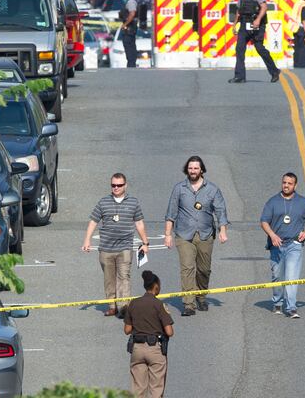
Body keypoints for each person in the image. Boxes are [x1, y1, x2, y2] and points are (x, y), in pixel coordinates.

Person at [164, 156, 229, 316]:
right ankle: (189, 304)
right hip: (184, 236)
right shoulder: (179, 188)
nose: (193, 171)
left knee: (203, 270)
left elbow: (220, 210)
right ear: (187, 169)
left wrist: (223, 230)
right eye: (190, 168)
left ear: (201, 170)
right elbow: (171, 213)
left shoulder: (212, 189)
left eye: (196, 168)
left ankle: (201, 296)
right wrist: (168, 234)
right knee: (187, 268)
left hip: (205, 235)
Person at [82, 173, 149, 318]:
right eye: (113, 185)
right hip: (106, 248)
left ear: (125, 185)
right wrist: (87, 240)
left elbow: (139, 223)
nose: (116, 188)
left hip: (125, 247)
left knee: (124, 277)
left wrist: (145, 242)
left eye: (119, 185)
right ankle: (112, 306)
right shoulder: (103, 202)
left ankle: (124, 306)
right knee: (109, 278)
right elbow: (93, 221)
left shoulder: (133, 202)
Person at [260, 173, 305, 319]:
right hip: (277, 245)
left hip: (294, 244)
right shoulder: (273, 201)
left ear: (295, 185)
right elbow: (264, 221)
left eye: (290, 183)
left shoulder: (302, 202)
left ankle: (292, 307)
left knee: (292, 276)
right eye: (284, 183)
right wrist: (272, 235)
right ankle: (278, 302)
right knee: (277, 276)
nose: (286, 185)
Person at [125, 270, 174, 398]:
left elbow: (127, 330)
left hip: (137, 349)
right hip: (155, 350)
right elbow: (169, 331)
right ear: (156, 287)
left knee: (138, 388)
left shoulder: (133, 303)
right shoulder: (159, 304)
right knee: (156, 388)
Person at [228, 0, 280, 84]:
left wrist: (258, 20)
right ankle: (239, 76)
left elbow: (264, 7)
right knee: (239, 48)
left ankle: (274, 71)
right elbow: (239, 10)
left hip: (256, 24)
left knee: (259, 48)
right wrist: (234, 24)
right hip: (244, 24)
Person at [120, 0, 139, 68]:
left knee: (129, 47)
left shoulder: (130, 2)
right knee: (130, 46)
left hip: (129, 29)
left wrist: (125, 24)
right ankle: (131, 64)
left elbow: (132, 14)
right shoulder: (130, 1)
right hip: (131, 28)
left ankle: (131, 65)